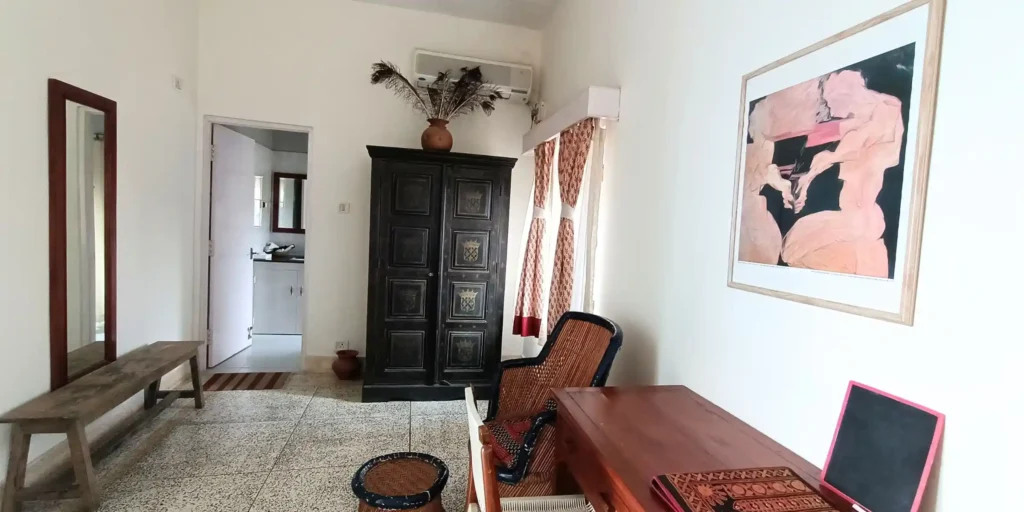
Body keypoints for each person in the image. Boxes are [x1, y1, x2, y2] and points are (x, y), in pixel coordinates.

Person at [781, 70, 904, 277]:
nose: (831, 108)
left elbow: (844, 149)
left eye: (832, 100)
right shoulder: (856, 122)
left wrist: (814, 171)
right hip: (852, 216)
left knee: (797, 248)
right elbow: (827, 155)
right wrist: (805, 181)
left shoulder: (885, 113)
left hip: (861, 219)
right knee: (795, 248)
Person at [738, 101, 794, 264]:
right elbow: (769, 174)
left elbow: (769, 173)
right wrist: (785, 189)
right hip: (749, 212)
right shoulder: (755, 150)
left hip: (753, 211)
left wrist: (785, 190)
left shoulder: (764, 148)